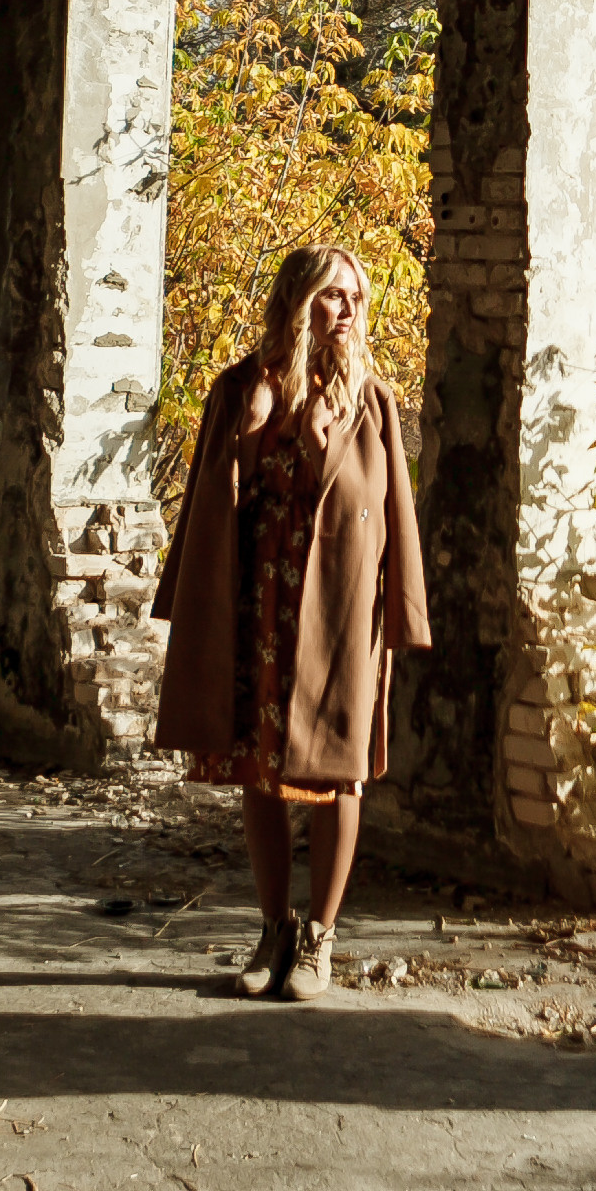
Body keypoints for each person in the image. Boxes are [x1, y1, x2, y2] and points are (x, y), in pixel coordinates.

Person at [149, 243, 430, 997]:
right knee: (261, 767)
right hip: (259, 602)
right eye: (334, 295)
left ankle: (320, 941)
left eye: (357, 298)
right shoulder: (242, 387)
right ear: (298, 300)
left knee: (339, 771)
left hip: (341, 607)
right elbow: (209, 507)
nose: (347, 311)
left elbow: (392, 513)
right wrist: (249, 433)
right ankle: (273, 928)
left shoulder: (371, 400)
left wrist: (403, 611)